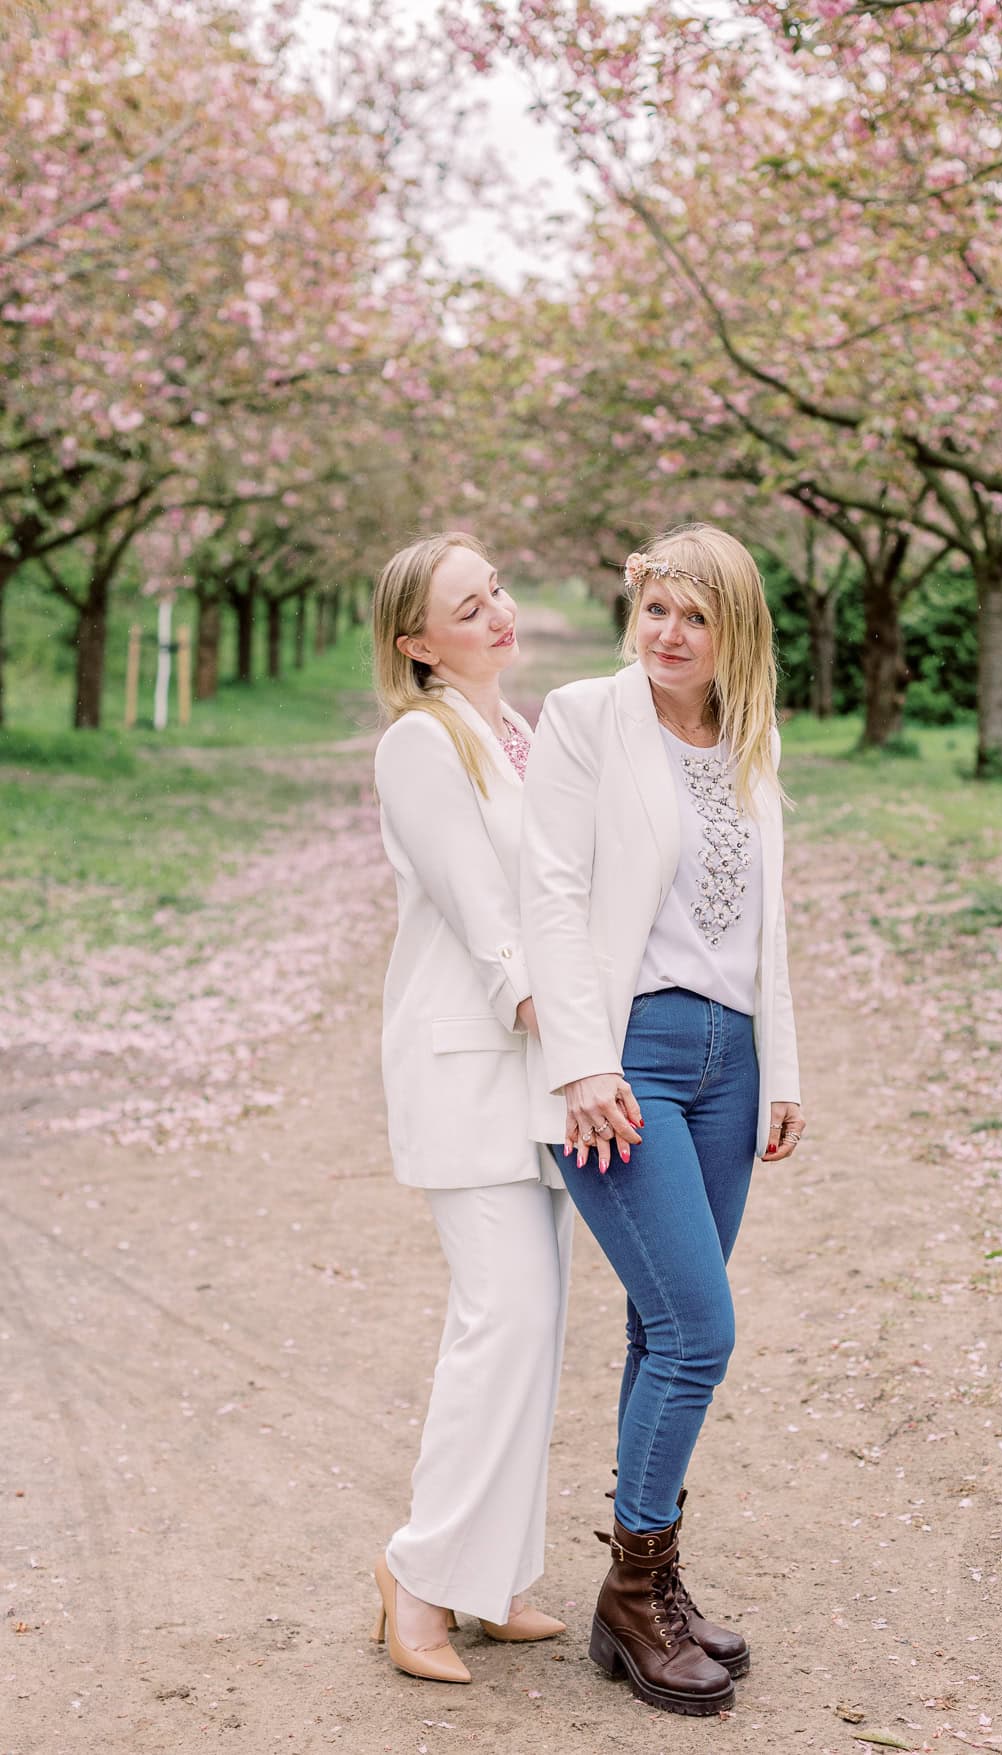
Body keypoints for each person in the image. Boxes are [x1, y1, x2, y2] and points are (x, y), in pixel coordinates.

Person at [519, 523, 805, 1716]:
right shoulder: (588, 716)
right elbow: (550, 886)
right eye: (654, 612)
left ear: (734, 628)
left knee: (661, 1328)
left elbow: (762, 924)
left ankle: (649, 1589)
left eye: (695, 616)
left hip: (731, 1058)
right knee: (701, 1332)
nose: (670, 636)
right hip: (628, 1059)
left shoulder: (749, 736)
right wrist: (579, 1062)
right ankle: (636, 1596)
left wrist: (781, 1068)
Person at [369, 531, 571, 1684]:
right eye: (465, 604)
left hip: (529, 1075)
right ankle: (418, 1576)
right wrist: (552, 1009)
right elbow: (483, 908)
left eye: (494, 589)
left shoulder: (516, 731)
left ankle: (489, 1581)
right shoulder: (419, 742)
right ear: (417, 644)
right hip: (470, 1062)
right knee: (503, 1324)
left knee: (531, 1333)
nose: (497, 612)